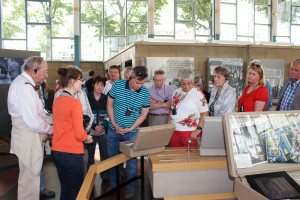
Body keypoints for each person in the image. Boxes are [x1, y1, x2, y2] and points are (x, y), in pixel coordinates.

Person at [7, 56, 53, 200]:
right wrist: (51, 130)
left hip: (30, 135)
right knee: (29, 180)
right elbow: (32, 121)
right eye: (44, 71)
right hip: (28, 136)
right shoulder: (24, 87)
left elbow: (38, 113)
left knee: (31, 178)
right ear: (34, 70)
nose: (46, 75)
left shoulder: (26, 84)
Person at [107, 66, 150, 199]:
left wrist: (132, 128)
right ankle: (114, 183)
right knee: (113, 158)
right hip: (114, 130)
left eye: (142, 83)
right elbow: (109, 104)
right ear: (129, 77)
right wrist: (114, 124)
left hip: (132, 132)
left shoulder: (145, 92)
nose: (139, 86)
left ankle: (130, 186)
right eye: (137, 82)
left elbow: (144, 114)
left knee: (132, 161)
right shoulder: (118, 85)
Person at [51, 66, 93, 200]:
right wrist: (87, 138)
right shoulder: (75, 103)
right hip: (71, 153)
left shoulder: (57, 100)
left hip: (57, 151)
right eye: (80, 80)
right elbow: (79, 134)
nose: (82, 82)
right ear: (72, 81)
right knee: (76, 192)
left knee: (65, 189)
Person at [168, 68, 209, 147]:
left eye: (189, 83)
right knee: (174, 156)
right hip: (174, 131)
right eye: (183, 83)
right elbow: (172, 109)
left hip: (190, 132)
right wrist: (169, 124)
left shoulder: (198, 94)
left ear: (192, 81)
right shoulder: (176, 92)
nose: (186, 86)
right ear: (180, 82)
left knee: (190, 157)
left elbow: (205, 113)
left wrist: (198, 129)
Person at [87, 76, 109, 183]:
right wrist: (94, 127)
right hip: (91, 131)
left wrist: (102, 126)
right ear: (93, 85)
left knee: (104, 154)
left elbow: (109, 115)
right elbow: (85, 116)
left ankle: (104, 176)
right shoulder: (87, 98)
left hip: (103, 131)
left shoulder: (106, 98)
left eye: (102, 85)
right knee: (90, 155)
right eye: (97, 84)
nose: (100, 87)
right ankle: (89, 177)